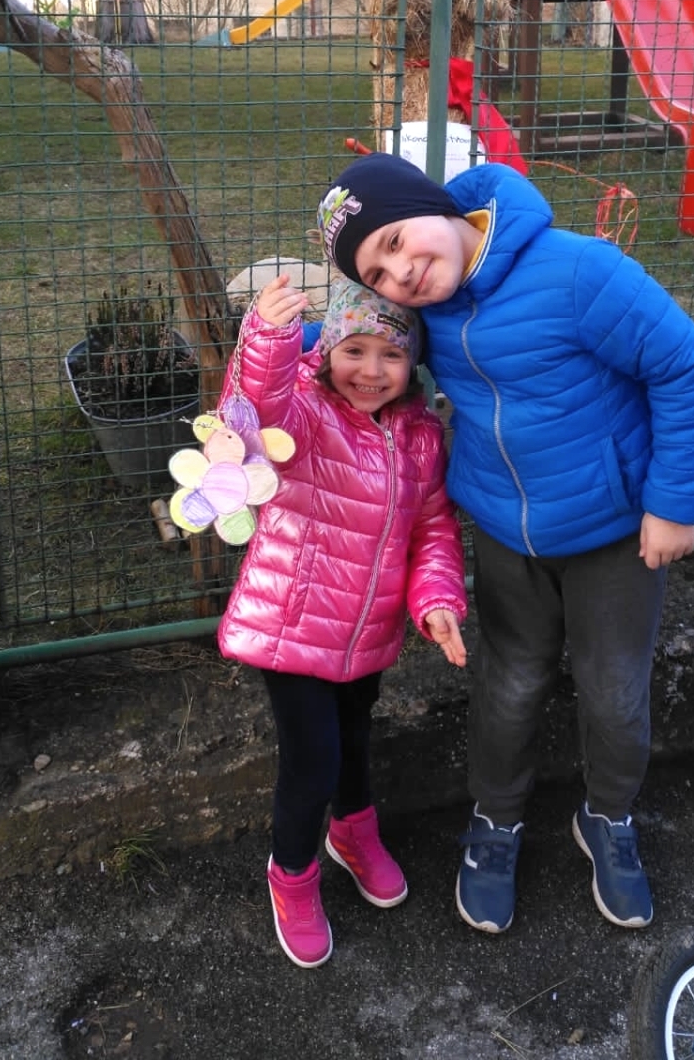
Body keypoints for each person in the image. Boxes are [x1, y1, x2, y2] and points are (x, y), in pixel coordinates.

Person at [317, 152, 694, 936]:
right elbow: (343, 344)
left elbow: (684, 367)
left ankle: (608, 817)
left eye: (396, 240)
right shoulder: (424, 312)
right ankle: (496, 821)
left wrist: (674, 504)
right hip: (505, 531)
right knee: (508, 683)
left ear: (435, 205)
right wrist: (268, 343)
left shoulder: (577, 271)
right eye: (378, 271)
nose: (401, 272)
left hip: (614, 533)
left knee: (614, 690)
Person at [217, 274, 468, 969]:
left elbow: (433, 527)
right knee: (314, 758)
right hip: (291, 625)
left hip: (369, 632)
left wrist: (437, 602)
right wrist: (266, 338)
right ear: (326, 352)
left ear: (412, 363)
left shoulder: (421, 435)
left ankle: (353, 831)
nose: (371, 371)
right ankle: (293, 874)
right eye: (354, 350)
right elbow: (254, 409)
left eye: (391, 355)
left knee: (354, 736)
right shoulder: (303, 411)